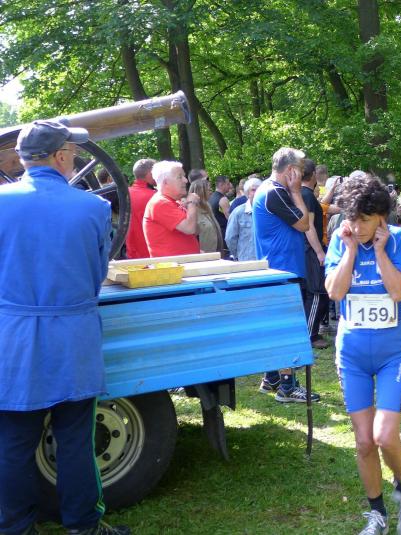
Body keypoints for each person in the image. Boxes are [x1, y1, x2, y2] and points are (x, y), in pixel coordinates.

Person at [1, 120, 129, 535]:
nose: (73, 158)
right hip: (73, 335)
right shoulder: (92, 208)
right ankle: (84, 526)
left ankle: (15, 527)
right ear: (59, 156)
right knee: (75, 439)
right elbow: (97, 273)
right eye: (71, 152)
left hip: (13, 337)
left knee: (13, 441)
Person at [324, 176, 401, 535]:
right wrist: (351, 251)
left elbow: (399, 293)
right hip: (352, 355)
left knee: (384, 436)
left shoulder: (397, 239)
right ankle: (377, 513)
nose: (358, 226)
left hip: (392, 354)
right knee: (364, 441)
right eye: (353, 218)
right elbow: (335, 292)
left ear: (382, 216)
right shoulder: (342, 239)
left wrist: (380, 253)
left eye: (365, 220)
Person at [253, 147, 319, 403]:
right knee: (287, 328)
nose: (302, 175)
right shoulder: (276, 192)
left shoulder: (269, 190)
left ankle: (272, 377)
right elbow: (304, 224)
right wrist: (296, 192)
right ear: (290, 170)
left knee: (277, 326)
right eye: (300, 170)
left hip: (279, 267)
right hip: (282, 270)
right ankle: (288, 387)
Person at [300, 159, 331, 349]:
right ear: (312, 175)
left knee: (316, 292)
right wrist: (319, 252)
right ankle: (310, 335)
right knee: (317, 292)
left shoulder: (301, 195)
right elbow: (308, 226)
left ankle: (313, 331)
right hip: (312, 250)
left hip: (308, 249)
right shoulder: (307, 196)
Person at [143, 161, 201, 258]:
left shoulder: (174, 203)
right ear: (166, 182)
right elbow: (190, 228)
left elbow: (196, 230)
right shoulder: (161, 203)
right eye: (179, 177)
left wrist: (189, 208)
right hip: (172, 266)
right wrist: (192, 203)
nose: (186, 180)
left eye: (184, 176)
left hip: (180, 264)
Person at [126, 158, 157, 259]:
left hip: (131, 252)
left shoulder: (125, 194)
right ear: (150, 174)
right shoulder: (155, 197)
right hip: (151, 253)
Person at [225, 177, 262, 261]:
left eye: (259, 189)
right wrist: (238, 255)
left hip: (265, 259)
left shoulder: (267, 211)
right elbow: (230, 238)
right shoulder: (238, 212)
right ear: (247, 193)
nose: (256, 192)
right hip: (246, 260)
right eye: (253, 190)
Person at [189, 179, 224, 254]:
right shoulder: (191, 210)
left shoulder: (208, 206)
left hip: (213, 252)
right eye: (209, 190)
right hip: (202, 255)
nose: (211, 192)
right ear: (201, 192)